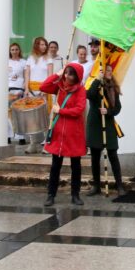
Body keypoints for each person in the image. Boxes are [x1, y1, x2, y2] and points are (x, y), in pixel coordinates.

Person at [40, 63, 87, 207]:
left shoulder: (81, 90)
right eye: (66, 73)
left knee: (76, 166)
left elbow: (79, 110)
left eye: (70, 74)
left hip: (74, 133)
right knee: (55, 166)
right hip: (59, 133)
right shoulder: (59, 87)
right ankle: (51, 195)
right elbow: (43, 87)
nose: (67, 76)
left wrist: (60, 111)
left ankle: (75, 195)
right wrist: (57, 74)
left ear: (77, 76)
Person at [87, 64, 125, 197]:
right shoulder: (94, 84)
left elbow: (118, 108)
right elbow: (89, 95)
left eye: (110, 70)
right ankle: (96, 186)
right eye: (107, 70)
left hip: (108, 123)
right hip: (95, 124)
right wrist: (98, 80)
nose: (109, 72)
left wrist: (108, 111)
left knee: (113, 154)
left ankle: (119, 185)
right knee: (95, 156)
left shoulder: (113, 87)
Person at [23, 36, 53, 154]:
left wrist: (45, 89)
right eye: (41, 44)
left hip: (43, 91)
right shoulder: (30, 58)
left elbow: (50, 76)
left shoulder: (48, 59)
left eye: (45, 44)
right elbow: (27, 74)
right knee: (32, 118)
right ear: (36, 45)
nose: (44, 46)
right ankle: (33, 144)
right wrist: (26, 88)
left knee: (44, 118)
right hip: (31, 91)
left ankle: (47, 144)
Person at [8, 43, 27, 145]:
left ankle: (21, 137)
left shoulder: (24, 62)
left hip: (19, 89)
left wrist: (23, 89)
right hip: (8, 89)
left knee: (20, 113)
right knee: (7, 114)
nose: (14, 51)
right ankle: (8, 135)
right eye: (12, 49)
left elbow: (26, 76)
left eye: (16, 49)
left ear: (19, 50)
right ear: (10, 51)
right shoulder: (6, 61)